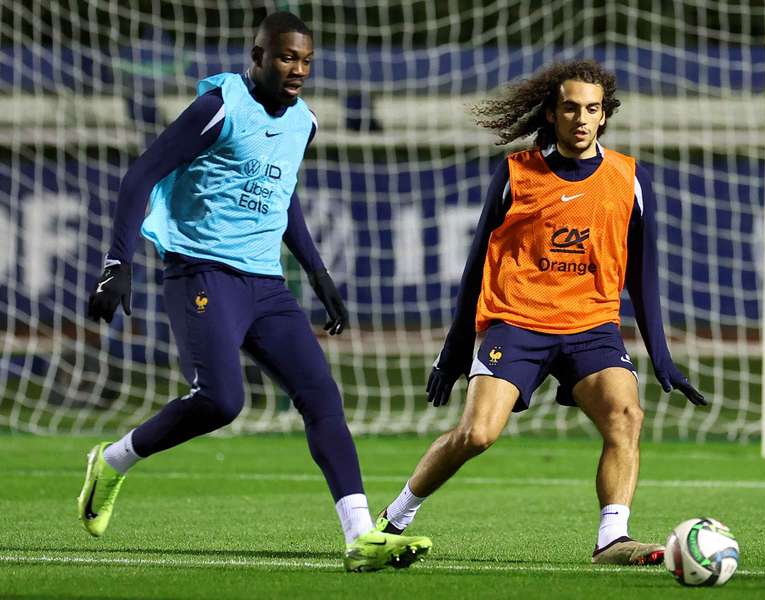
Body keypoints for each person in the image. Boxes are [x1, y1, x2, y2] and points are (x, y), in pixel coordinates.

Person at [78, 11, 430, 572]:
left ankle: (360, 537)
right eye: (287, 57)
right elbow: (140, 174)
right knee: (222, 401)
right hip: (202, 272)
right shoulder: (219, 107)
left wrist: (318, 275)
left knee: (321, 396)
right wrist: (117, 263)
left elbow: (282, 195)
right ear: (259, 56)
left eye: (307, 60)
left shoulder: (305, 122)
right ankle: (113, 461)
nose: (298, 69)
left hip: (265, 283)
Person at [374, 59, 706, 565]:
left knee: (626, 415)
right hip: (518, 322)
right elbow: (475, 268)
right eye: (569, 108)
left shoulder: (628, 179)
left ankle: (611, 538)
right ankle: (395, 518)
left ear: (604, 117)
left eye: (591, 109)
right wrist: (453, 352)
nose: (580, 118)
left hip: (591, 326)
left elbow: (642, 273)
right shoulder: (517, 174)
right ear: (550, 113)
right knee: (478, 434)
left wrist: (660, 355)